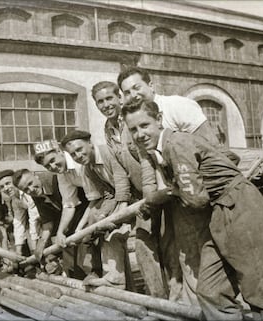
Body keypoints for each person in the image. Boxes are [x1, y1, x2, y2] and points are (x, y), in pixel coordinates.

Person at [122, 99, 263, 320]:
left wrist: (162, 195)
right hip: (218, 212)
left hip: (238, 206)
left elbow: (196, 199)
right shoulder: (162, 150)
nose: (139, 134)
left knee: (260, 290)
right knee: (211, 291)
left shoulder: (175, 144)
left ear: (159, 120)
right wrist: (165, 194)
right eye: (133, 129)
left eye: (144, 125)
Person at [92, 81, 168, 297]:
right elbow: (118, 170)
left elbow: (147, 161)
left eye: (109, 98)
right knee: (143, 246)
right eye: (100, 101)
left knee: (165, 247)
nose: (106, 104)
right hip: (140, 195)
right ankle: (158, 299)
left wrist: (149, 196)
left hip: (158, 188)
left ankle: (173, 301)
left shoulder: (132, 122)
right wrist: (122, 204)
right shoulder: (108, 129)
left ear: (119, 97)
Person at [117, 66, 240, 165]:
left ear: (151, 86)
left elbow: (212, 147)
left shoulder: (177, 105)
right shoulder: (134, 121)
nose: (133, 95)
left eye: (137, 88)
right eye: (127, 92)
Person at [61, 130, 133, 289]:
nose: (78, 156)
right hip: (121, 199)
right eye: (73, 154)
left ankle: (115, 280)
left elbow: (122, 182)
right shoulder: (88, 168)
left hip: (134, 195)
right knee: (98, 227)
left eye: (80, 149)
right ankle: (110, 277)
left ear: (90, 144)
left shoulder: (106, 152)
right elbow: (108, 194)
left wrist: (116, 214)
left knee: (113, 234)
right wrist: (101, 216)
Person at [33, 139, 90, 277]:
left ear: (59, 151)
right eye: (47, 166)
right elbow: (69, 204)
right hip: (94, 198)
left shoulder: (78, 161)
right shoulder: (61, 173)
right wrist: (60, 233)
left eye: (53, 160)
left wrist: (79, 227)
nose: (52, 166)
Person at [12, 168, 63, 273]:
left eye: (30, 183)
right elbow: (48, 222)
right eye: (26, 189)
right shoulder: (36, 194)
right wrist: (39, 246)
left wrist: (60, 232)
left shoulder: (54, 179)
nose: (31, 189)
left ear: (35, 175)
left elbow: (71, 206)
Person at [0, 170, 40, 256]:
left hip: (45, 219)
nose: (6, 188)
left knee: (35, 246)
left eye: (8, 183)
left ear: (15, 182)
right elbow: (19, 222)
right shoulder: (14, 200)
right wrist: (18, 250)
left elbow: (34, 218)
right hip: (35, 223)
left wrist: (34, 246)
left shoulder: (28, 193)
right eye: (2, 186)